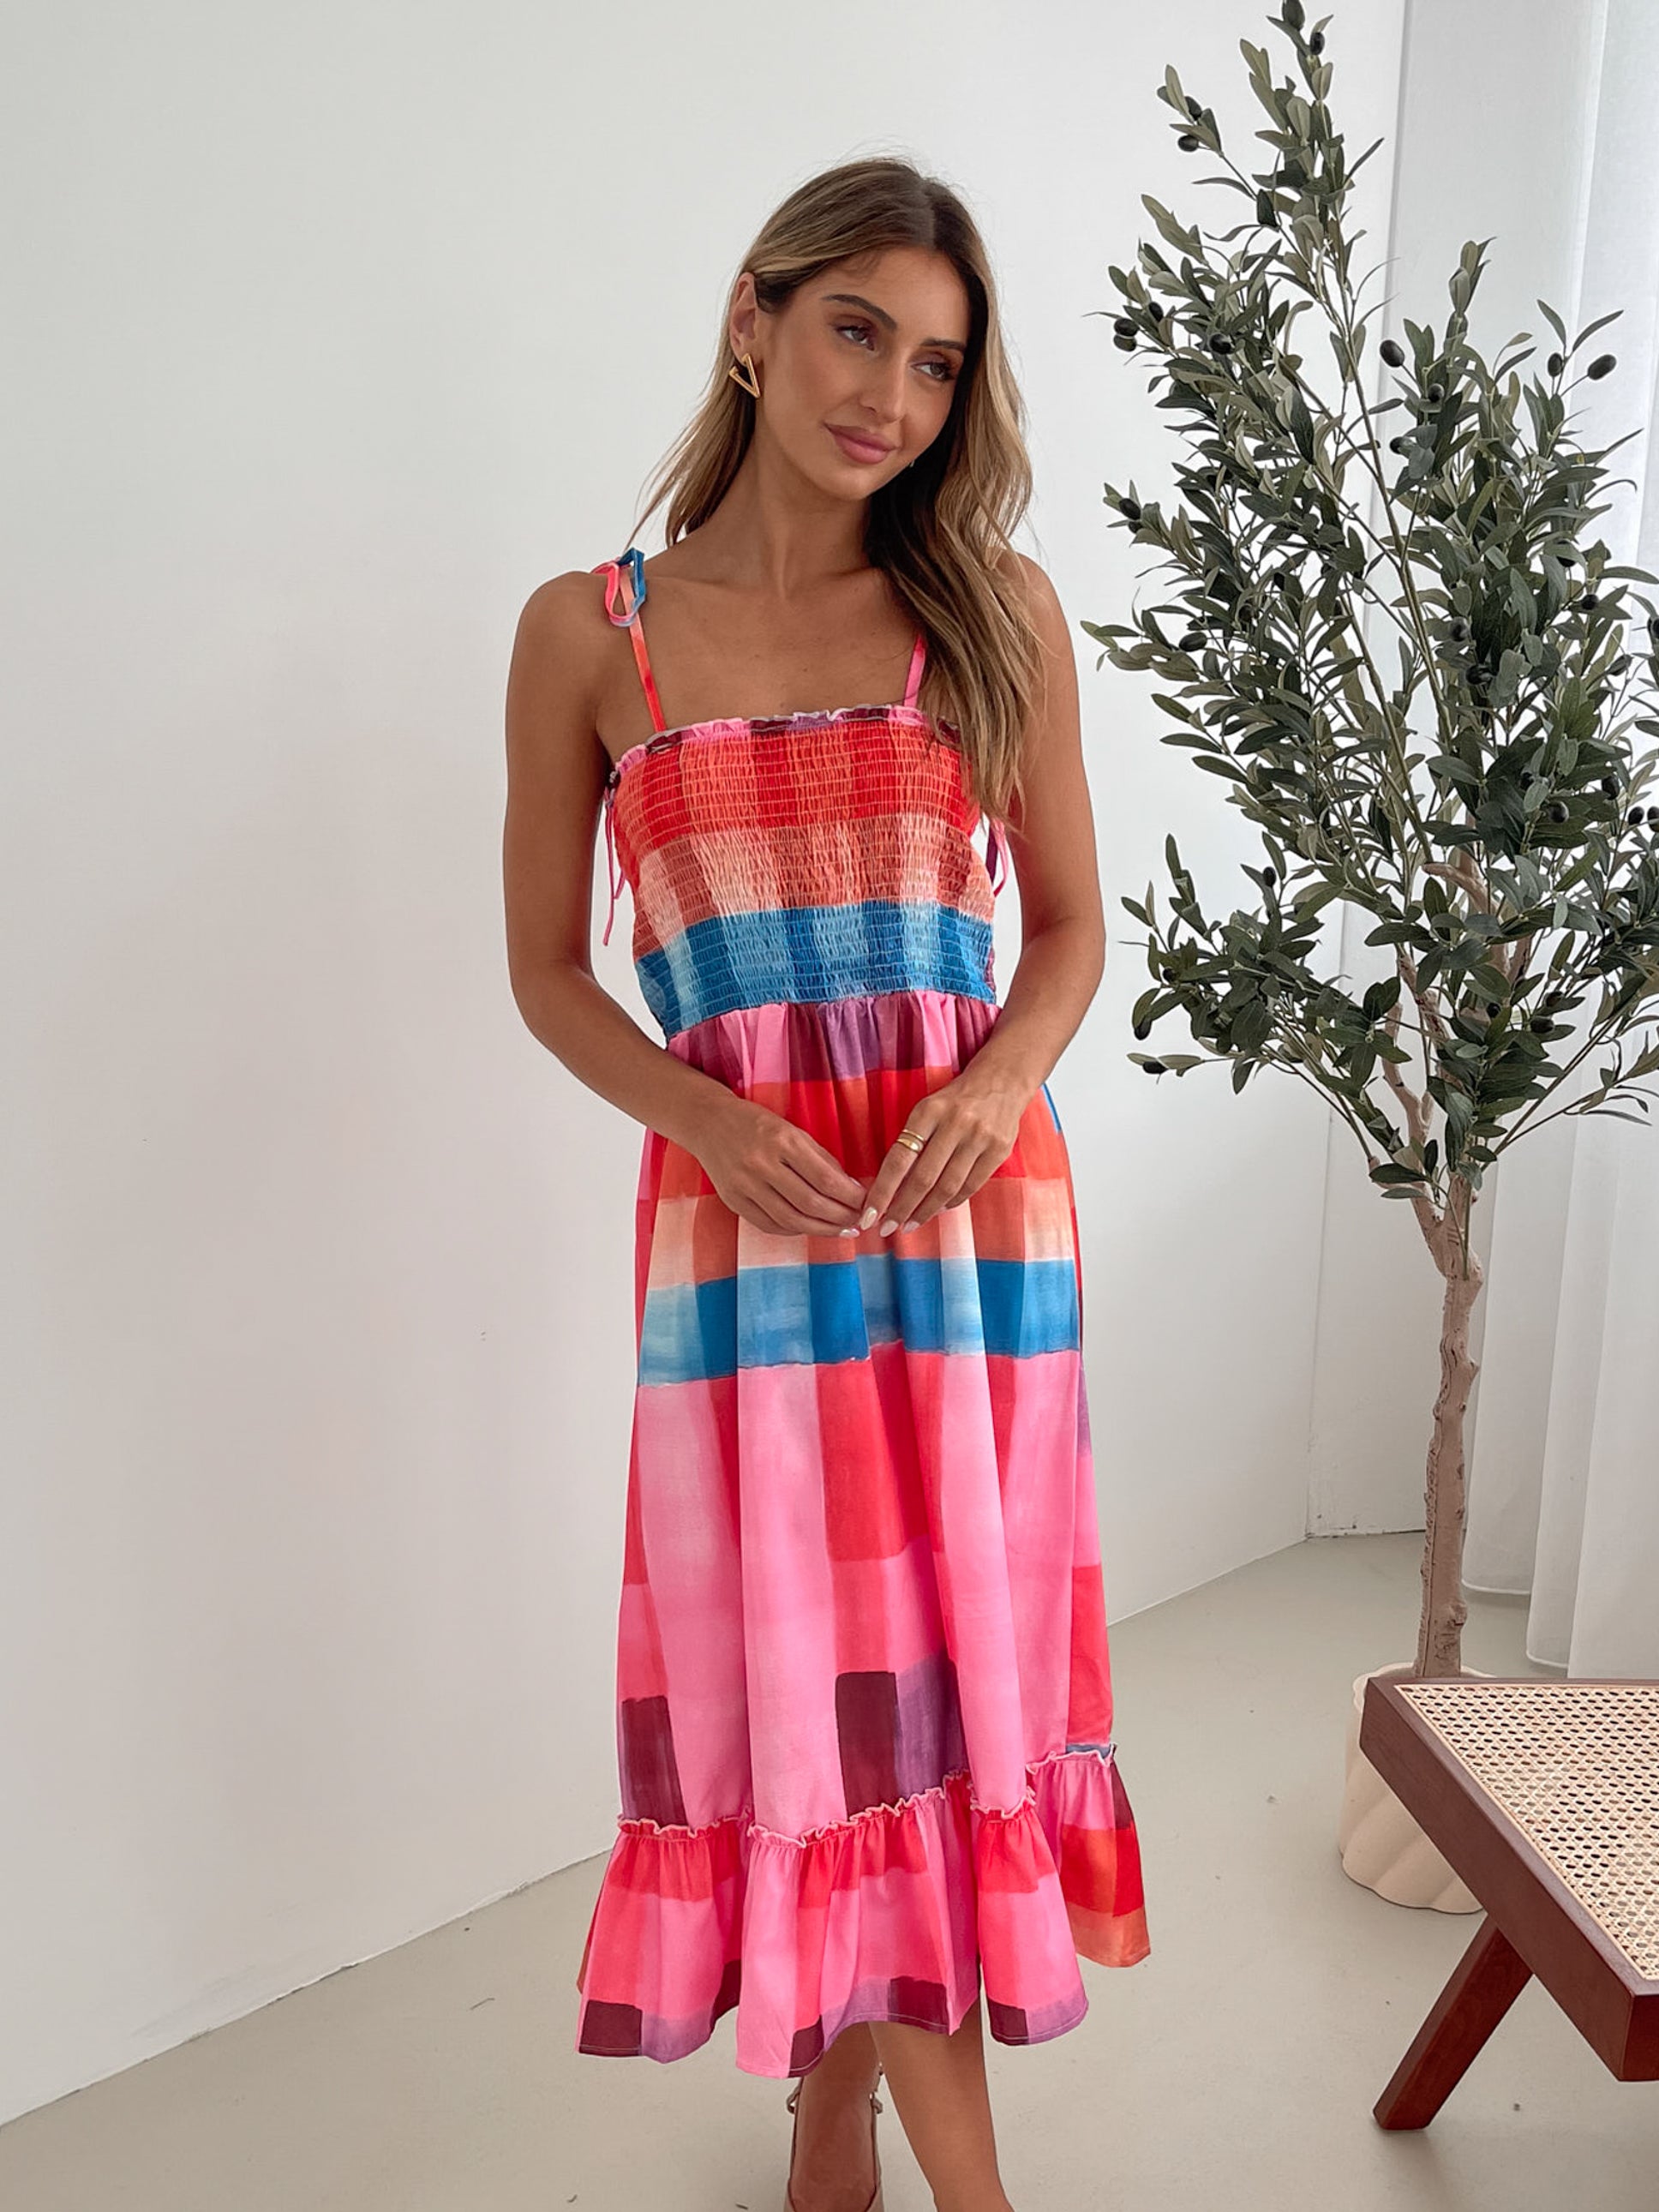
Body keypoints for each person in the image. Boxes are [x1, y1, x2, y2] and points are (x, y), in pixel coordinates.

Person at [503, 154, 1148, 2212]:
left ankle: (873, 2135)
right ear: (751, 319)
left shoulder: (990, 610)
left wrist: (1003, 1076)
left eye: (936, 363)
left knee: (933, 1702)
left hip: (971, 1234)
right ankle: (839, 2108)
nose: (890, 393)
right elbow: (545, 972)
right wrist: (699, 1115)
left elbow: (1069, 928)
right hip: (743, 1244)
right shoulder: (589, 637)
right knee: (820, 1693)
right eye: (856, 330)